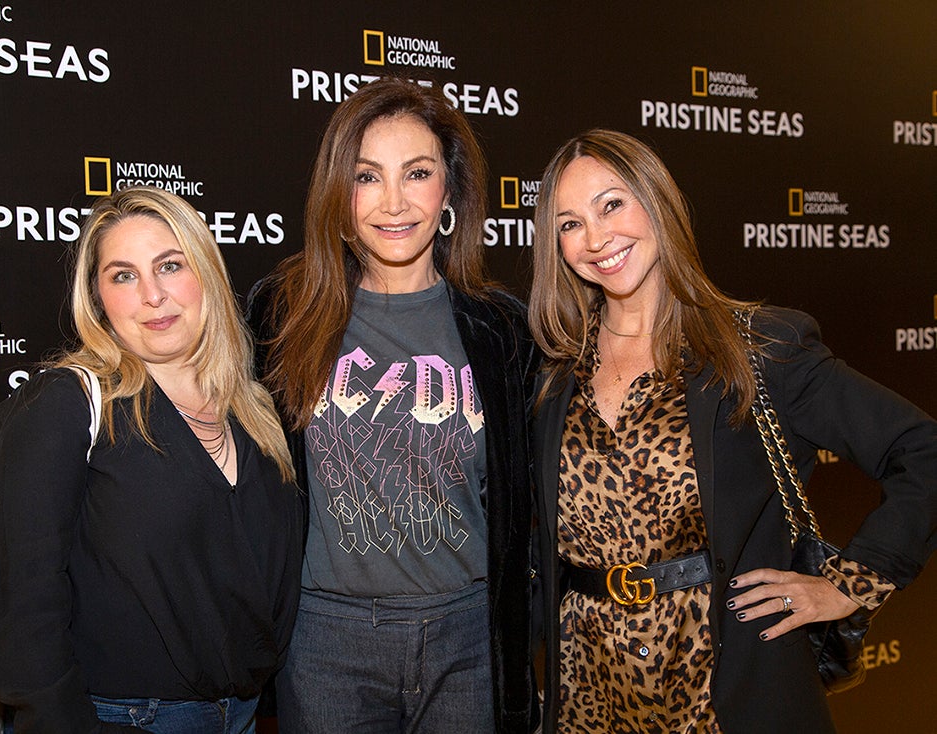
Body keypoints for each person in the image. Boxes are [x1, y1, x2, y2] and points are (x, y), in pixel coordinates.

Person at [528, 129, 937, 733]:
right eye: (569, 223)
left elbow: (922, 450)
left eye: (612, 204)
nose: (595, 238)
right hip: (588, 695)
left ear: (656, 201)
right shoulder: (551, 372)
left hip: (726, 694)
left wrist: (849, 585)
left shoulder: (756, 348)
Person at [245, 77, 538, 733]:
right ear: (339, 195)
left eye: (418, 173)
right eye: (368, 177)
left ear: (449, 190)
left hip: (467, 638)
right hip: (326, 643)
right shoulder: (283, 313)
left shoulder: (501, 329)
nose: (394, 202)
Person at [0, 185, 303, 734]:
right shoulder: (69, 403)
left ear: (207, 274)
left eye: (170, 266)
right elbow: (22, 604)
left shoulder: (255, 408)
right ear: (99, 298)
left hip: (240, 715)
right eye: (123, 275)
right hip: (121, 719)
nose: (153, 295)